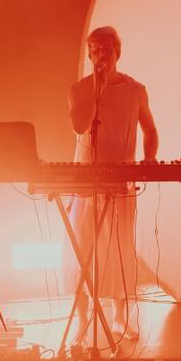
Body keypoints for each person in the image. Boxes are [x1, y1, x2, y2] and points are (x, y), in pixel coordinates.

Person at [68, 26, 159, 344]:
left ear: (117, 51)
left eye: (105, 48)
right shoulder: (79, 90)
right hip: (86, 182)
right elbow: (79, 125)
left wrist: (149, 158)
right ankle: (82, 319)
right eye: (93, 49)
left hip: (121, 181)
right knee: (82, 250)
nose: (99, 54)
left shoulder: (136, 90)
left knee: (120, 248)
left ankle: (120, 318)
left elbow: (150, 129)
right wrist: (97, 90)